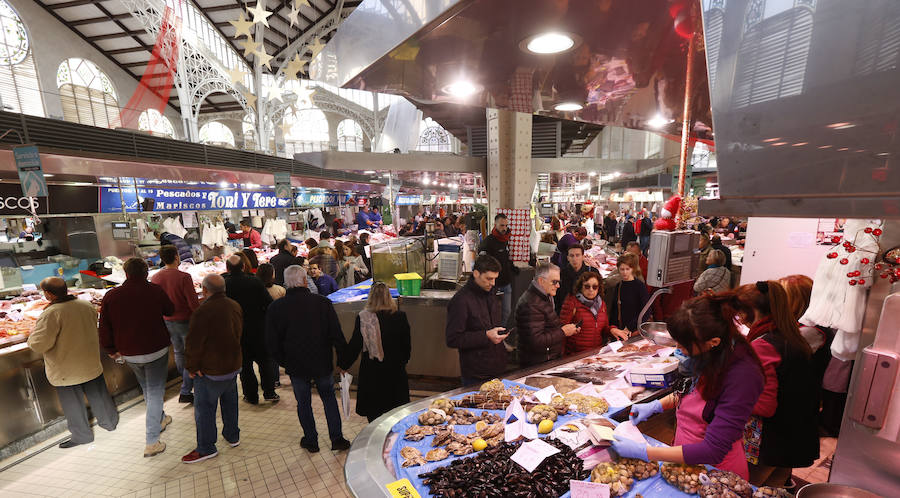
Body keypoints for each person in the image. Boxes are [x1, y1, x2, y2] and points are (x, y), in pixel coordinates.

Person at [611, 294, 765, 480]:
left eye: (683, 345)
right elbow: (693, 395)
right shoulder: (710, 354)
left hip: (717, 473)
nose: (678, 349)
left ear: (713, 342)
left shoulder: (742, 376)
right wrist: (656, 405)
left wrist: (646, 452)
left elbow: (713, 450)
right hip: (685, 460)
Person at [734, 281, 818, 487]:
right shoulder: (791, 335)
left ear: (753, 310)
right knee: (774, 490)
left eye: (740, 313)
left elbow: (764, 406)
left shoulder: (763, 345)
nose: (740, 319)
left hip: (770, 440)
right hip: (794, 433)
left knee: (744, 487)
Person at [266, 266, 351, 452]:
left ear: (286, 283)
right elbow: (336, 334)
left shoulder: (276, 307)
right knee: (329, 399)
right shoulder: (322, 303)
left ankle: (311, 441)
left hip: (296, 365)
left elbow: (272, 342)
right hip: (322, 361)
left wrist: (284, 361)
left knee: (303, 403)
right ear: (305, 281)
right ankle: (337, 439)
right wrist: (343, 362)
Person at [28, 277, 118, 449]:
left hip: (66, 370)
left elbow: (39, 344)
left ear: (48, 294)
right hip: (90, 362)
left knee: (73, 404)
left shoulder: (51, 313)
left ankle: (82, 436)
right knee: (99, 395)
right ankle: (109, 422)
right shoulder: (85, 305)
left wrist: (32, 337)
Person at [98, 257, 174, 457]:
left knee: (148, 389)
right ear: (146, 273)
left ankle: (161, 418)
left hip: (129, 353)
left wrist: (110, 349)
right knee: (155, 392)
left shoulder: (112, 295)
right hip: (156, 349)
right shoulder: (154, 290)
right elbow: (170, 310)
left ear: (126, 273)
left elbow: (104, 327)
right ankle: (152, 440)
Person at [181, 274, 243, 464]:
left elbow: (194, 344)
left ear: (205, 290)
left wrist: (192, 367)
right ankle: (233, 436)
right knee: (230, 402)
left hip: (211, 370)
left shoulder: (203, 312)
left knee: (205, 409)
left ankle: (207, 447)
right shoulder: (234, 305)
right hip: (233, 365)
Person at [339, 282, 411, 422]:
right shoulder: (400, 316)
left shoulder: (363, 317)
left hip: (372, 372)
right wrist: (402, 362)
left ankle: (376, 441)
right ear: (389, 297)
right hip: (395, 371)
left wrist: (343, 364)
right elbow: (406, 345)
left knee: (374, 413)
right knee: (395, 413)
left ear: (370, 297)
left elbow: (355, 344)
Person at [223, 254, 278, 404]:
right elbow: (269, 303)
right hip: (258, 328)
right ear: (243, 266)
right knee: (264, 362)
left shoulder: (224, 285)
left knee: (245, 365)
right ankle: (269, 392)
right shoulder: (255, 281)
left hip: (237, 331)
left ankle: (251, 395)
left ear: (227, 268)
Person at [445, 255, 508, 386]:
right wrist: (486, 336)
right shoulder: (461, 301)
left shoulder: (491, 293)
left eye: (495, 279)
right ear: (476, 274)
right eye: (489, 279)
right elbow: (453, 339)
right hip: (475, 375)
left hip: (498, 369)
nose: (493, 283)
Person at [151, 245, 200, 404]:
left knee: (179, 353)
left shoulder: (156, 277)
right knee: (190, 353)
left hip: (167, 321)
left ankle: (186, 384)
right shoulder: (183, 277)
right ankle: (186, 389)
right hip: (185, 320)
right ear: (176, 257)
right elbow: (193, 303)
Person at [515, 262, 579, 367]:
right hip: (538, 363)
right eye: (554, 282)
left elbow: (547, 327)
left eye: (559, 282)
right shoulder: (532, 304)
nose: (558, 286)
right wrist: (563, 332)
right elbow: (536, 341)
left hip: (546, 358)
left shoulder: (545, 296)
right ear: (541, 281)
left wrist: (566, 329)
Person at [560, 272, 618, 353]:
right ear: (581, 287)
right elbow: (562, 332)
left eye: (594, 287)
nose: (591, 290)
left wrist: (612, 330)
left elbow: (604, 329)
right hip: (575, 355)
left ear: (599, 288)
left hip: (596, 353)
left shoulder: (602, 304)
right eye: (587, 286)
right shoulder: (571, 302)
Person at [477, 213, 519, 325]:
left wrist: (512, 267)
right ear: (495, 225)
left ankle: (501, 335)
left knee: (507, 312)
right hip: (493, 285)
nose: (504, 228)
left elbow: (505, 258)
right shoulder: (488, 241)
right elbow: (482, 260)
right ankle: (492, 335)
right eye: (502, 225)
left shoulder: (506, 239)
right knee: (491, 313)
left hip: (506, 283)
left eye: (506, 225)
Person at [608, 253, 650, 338]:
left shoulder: (640, 286)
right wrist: (613, 327)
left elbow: (646, 311)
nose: (624, 272)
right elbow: (614, 309)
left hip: (635, 331)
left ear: (633, 269)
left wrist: (629, 327)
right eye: (622, 269)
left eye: (628, 269)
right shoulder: (618, 286)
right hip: (620, 331)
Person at [556, 244, 599, 315]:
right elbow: (557, 298)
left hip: (587, 314)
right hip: (566, 313)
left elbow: (599, 296)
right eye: (571, 256)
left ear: (583, 257)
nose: (574, 259)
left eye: (577, 255)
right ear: (568, 258)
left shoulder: (593, 272)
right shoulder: (561, 274)